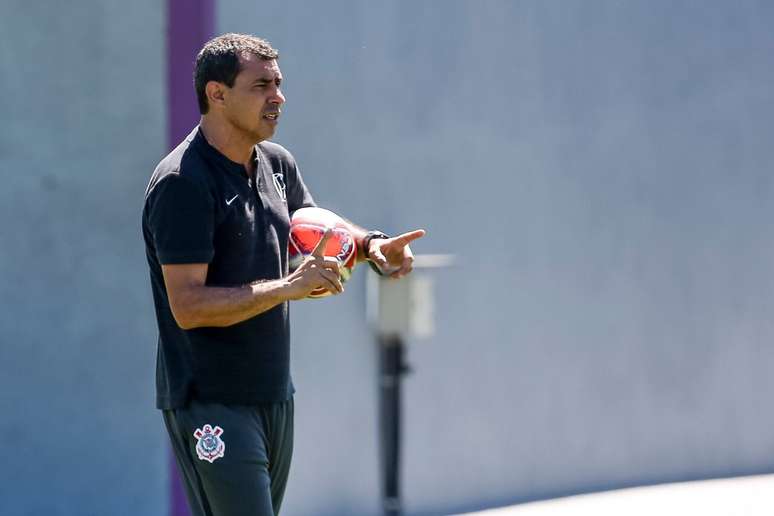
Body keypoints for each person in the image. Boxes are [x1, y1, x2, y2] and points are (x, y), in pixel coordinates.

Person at [142, 33, 425, 516]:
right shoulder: (183, 184)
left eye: (278, 84)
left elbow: (315, 228)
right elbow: (188, 306)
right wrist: (289, 287)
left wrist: (370, 246)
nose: (278, 97)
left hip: (274, 393)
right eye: (261, 86)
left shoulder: (277, 163)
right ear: (217, 94)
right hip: (210, 400)